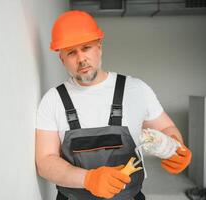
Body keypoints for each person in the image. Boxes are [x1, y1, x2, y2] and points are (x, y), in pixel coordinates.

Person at [35, 10, 191, 200]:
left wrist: (175, 148)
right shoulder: (53, 100)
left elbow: (166, 127)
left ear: (99, 47)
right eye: (71, 52)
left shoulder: (136, 89)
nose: (81, 59)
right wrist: (88, 179)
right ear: (62, 58)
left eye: (86, 48)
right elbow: (45, 161)